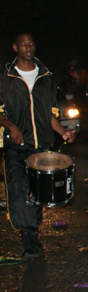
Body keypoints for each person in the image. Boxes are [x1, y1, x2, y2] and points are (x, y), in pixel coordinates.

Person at [0, 33, 77, 259]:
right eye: (23, 44)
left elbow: (49, 113)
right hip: (16, 145)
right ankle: (28, 240)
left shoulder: (46, 76)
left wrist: (63, 132)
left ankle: (32, 233)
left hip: (41, 144)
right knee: (17, 190)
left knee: (38, 192)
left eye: (31, 43)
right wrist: (12, 127)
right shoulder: (5, 76)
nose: (28, 47)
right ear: (15, 47)